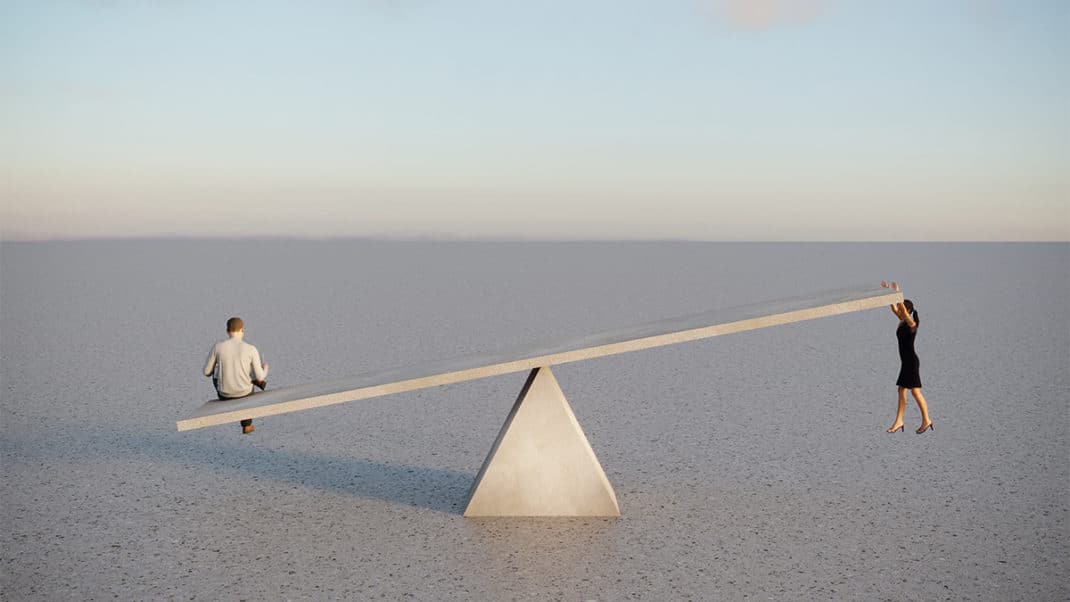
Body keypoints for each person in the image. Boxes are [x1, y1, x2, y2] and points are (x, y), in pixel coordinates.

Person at [880, 281, 933, 434]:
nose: (900, 311)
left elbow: (900, 307)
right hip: (907, 362)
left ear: (908, 311)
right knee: (912, 392)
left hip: (911, 362)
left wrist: (897, 292)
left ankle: (900, 420)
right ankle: (925, 420)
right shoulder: (902, 321)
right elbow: (894, 307)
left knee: (904, 390)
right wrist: (888, 292)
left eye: (903, 309)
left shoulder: (911, 323)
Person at [204, 316, 268, 434]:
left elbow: (206, 372)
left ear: (227, 331)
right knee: (250, 371)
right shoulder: (250, 348)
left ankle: (245, 380)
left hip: (224, 394)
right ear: (242, 330)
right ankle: (247, 425)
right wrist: (265, 369)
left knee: (218, 369)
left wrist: (218, 365)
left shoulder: (218, 346)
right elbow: (261, 376)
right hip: (245, 393)